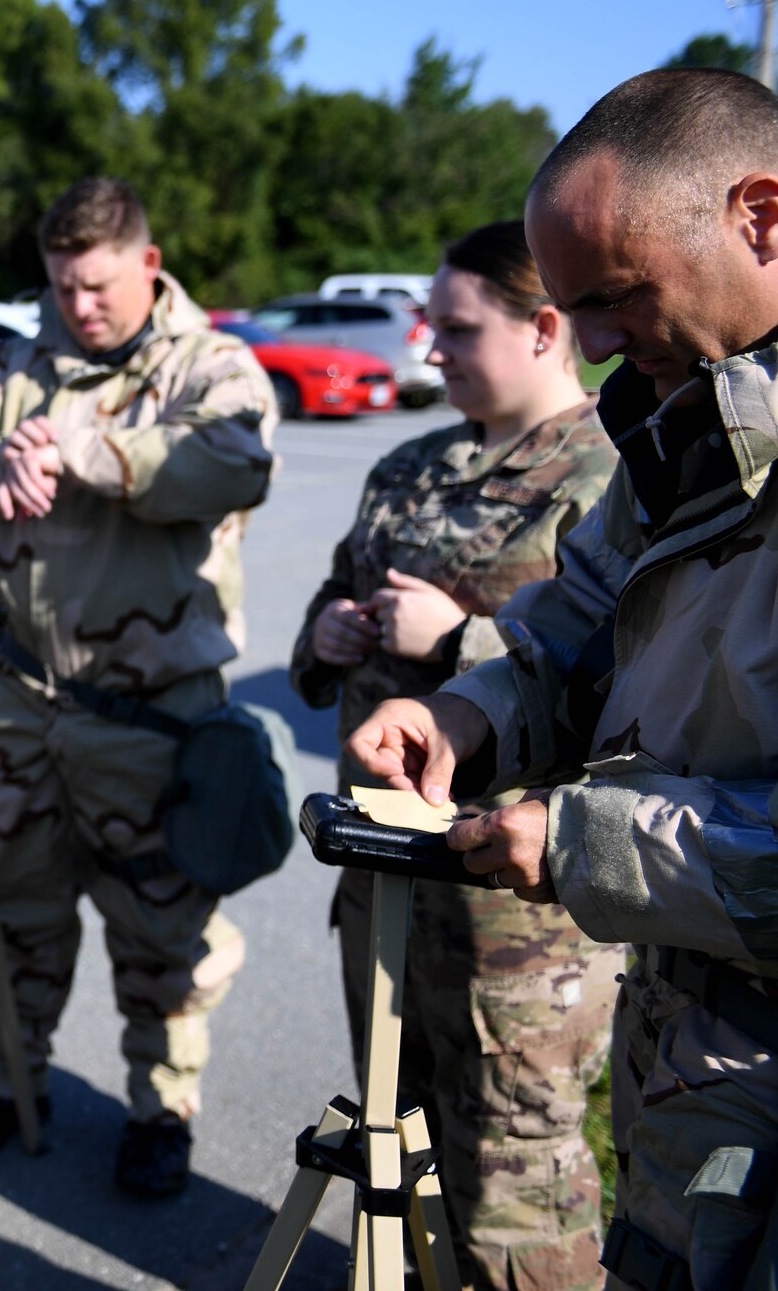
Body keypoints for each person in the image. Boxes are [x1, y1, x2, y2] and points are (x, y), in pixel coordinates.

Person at [350, 67, 778, 1289]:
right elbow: (577, 626)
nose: (585, 344)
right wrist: (462, 718)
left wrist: (583, 839)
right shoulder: (683, 424)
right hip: (692, 1102)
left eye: (614, 297)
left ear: (759, 216)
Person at [0, 177, 277, 1197]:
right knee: (7, 911)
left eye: (99, 286)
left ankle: (160, 1110)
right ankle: (1, 1082)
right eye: (63, 288)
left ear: (147, 267)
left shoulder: (211, 364)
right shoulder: (14, 364)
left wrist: (77, 451)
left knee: (160, 931)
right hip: (22, 701)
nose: (80, 308)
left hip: (152, 714)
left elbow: (231, 463)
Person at [293, 220, 620, 1287]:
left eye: (453, 328)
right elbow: (327, 600)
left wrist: (456, 639)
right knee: (392, 1146)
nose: (427, 349)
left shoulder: (614, 474)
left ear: (540, 329)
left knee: (512, 1190)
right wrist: (327, 633)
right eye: (426, 326)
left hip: (513, 923)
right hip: (383, 890)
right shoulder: (404, 465)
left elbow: (624, 678)